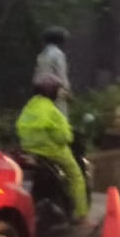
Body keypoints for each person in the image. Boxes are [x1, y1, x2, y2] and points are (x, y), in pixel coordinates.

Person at [17, 74, 91, 226]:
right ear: (53, 93)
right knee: (76, 176)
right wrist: (68, 135)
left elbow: (20, 127)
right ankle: (82, 217)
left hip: (29, 151)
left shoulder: (29, 107)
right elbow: (64, 137)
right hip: (52, 151)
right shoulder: (52, 111)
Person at [34, 26, 73, 114]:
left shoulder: (42, 54)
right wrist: (67, 90)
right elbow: (61, 73)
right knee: (59, 115)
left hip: (42, 90)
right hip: (56, 90)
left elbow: (37, 74)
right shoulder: (58, 54)